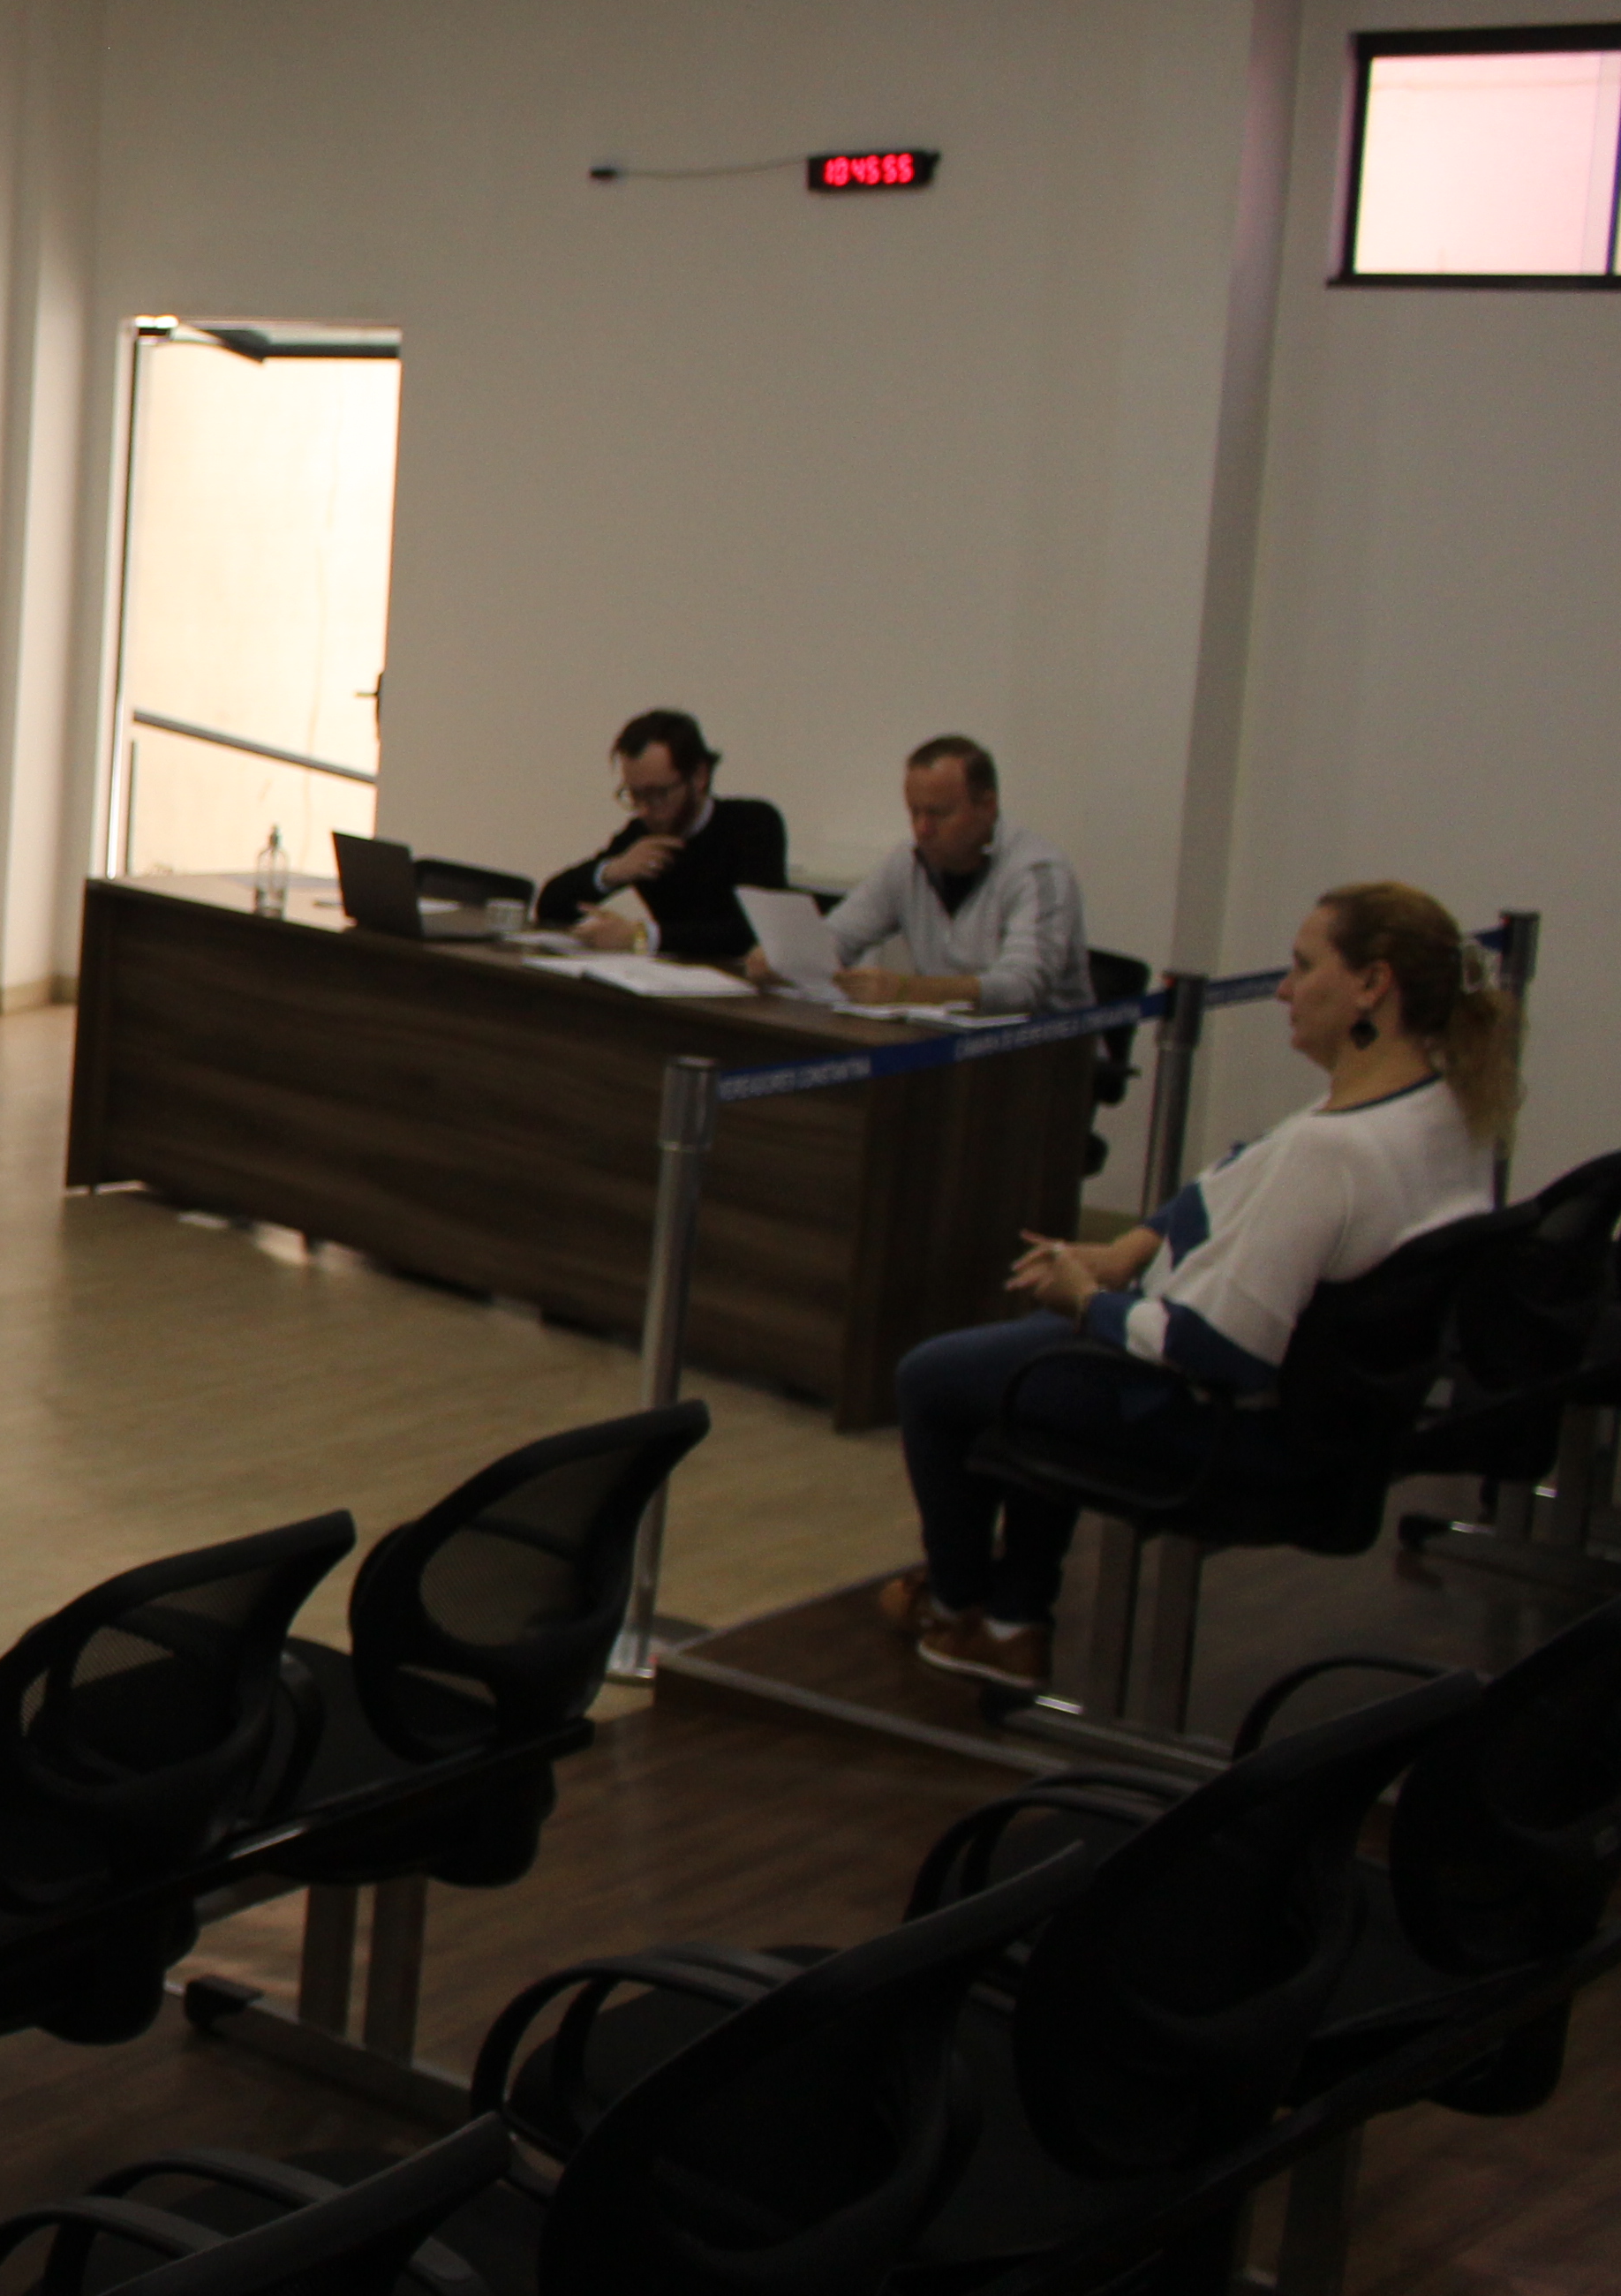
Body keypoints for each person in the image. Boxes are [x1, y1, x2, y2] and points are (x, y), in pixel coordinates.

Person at [879, 881, 1513, 1690]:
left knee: (934, 1378)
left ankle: (960, 1605)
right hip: (1331, 1429)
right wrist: (1133, 1247)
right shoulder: (1438, 1110)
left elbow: (1220, 1351)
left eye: (1303, 966)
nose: (1283, 990)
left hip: (1225, 1426)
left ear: (1371, 984)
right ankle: (1010, 1620)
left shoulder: (1332, 1153)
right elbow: (1244, 1166)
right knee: (1029, 1359)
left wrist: (1091, 1302)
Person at [745, 736, 1094, 1014]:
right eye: (914, 813)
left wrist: (908, 990)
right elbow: (840, 937)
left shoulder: (1036, 872)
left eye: (939, 814)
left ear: (987, 807)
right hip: (943, 1040)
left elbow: (1023, 987)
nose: (922, 829)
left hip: (1044, 1053)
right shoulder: (907, 862)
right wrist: (784, 960)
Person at [537, 709, 788, 962]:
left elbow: (749, 932)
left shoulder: (752, 823)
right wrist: (612, 871)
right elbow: (551, 906)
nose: (645, 809)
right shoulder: (642, 833)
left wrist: (642, 936)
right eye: (635, 795)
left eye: (659, 794)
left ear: (699, 776)